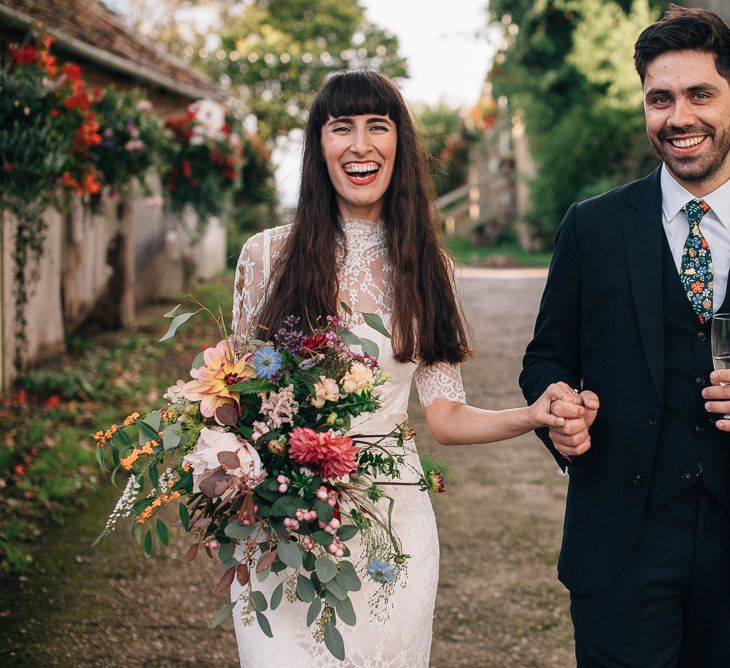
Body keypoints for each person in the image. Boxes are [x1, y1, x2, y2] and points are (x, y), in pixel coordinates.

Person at [230, 69, 577, 666]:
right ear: (319, 146)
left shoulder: (428, 268)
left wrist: (531, 415)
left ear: (399, 145)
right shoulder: (265, 256)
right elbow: (232, 399)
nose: (360, 145)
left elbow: (444, 416)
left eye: (377, 127)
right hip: (284, 522)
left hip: (391, 524)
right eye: (342, 128)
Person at [520, 5, 730, 666]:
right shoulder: (593, 227)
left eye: (701, 94)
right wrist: (556, 404)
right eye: (660, 99)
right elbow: (547, 356)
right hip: (623, 539)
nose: (679, 117)